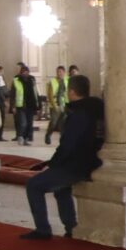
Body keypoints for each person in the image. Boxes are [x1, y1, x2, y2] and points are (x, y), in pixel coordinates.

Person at [20, 74, 105, 239]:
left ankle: (43, 230)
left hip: (78, 165)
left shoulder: (80, 113)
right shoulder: (95, 109)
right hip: (90, 161)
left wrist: (53, 164)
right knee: (61, 189)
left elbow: (69, 144)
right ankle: (71, 227)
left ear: (71, 92)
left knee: (34, 185)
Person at [11, 64, 39, 145]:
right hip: (21, 105)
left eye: (26, 72)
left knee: (29, 124)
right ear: (21, 73)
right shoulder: (16, 80)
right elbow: (13, 94)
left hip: (30, 105)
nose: (25, 73)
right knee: (23, 123)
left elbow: (35, 93)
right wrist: (13, 106)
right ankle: (20, 136)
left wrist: (38, 105)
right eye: (23, 72)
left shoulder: (32, 80)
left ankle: (26, 139)